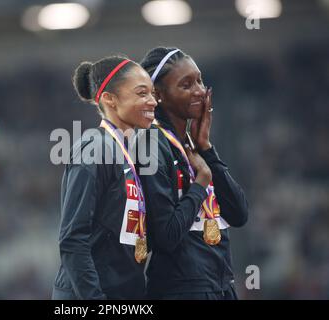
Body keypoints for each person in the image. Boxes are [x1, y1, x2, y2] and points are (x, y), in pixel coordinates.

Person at [139, 46, 249, 299]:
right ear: (159, 95)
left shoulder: (193, 147)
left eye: (199, 80)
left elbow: (239, 214)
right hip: (182, 289)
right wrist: (200, 183)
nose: (200, 90)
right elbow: (166, 236)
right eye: (186, 85)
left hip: (221, 285)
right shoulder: (151, 144)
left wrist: (207, 150)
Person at [52, 56, 157, 299]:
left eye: (152, 93)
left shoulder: (126, 152)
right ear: (109, 99)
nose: (152, 101)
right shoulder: (94, 148)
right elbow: (72, 240)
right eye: (142, 93)